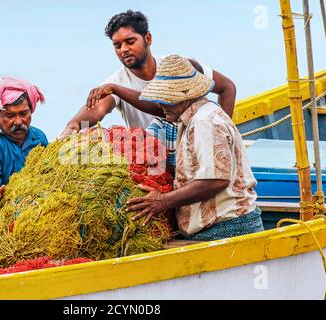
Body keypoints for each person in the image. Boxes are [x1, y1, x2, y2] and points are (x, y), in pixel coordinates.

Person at [126, 55, 264, 241]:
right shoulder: (191, 118)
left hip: (228, 228)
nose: (161, 105)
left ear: (186, 96)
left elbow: (216, 180)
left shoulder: (204, 122)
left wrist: (163, 200)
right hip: (217, 227)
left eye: (167, 100)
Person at [58, 10, 236, 139]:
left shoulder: (178, 67)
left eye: (130, 41)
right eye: (117, 45)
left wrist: (224, 134)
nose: (124, 49)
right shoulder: (116, 83)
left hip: (196, 146)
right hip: (155, 161)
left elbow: (227, 88)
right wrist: (72, 127)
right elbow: (96, 111)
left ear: (148, 39)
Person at [0, 77, 48, 233]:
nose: (18, 121)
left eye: (23, 114)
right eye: (10, 115)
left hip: (36, 216)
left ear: (31, 111)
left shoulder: (39, 138)